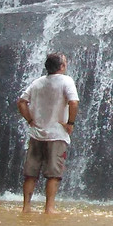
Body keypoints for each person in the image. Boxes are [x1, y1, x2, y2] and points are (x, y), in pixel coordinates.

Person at [17, 52, 80, 213]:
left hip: (36, 134)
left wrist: (30, 120)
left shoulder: (37, 82)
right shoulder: (67, 81)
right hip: (57, 135)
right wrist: (70, 123)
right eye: (65, 62)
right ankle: (49, 208)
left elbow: (21, 102)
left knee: (31, 173)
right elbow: (73, 102)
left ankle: (26, 207)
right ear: (61, 66)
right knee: (53, 174)